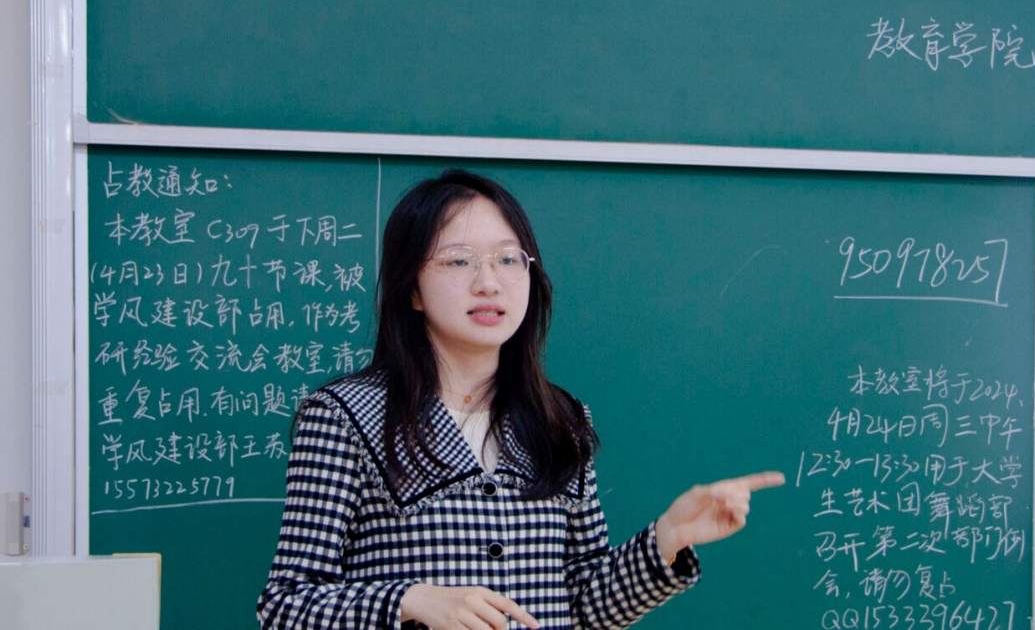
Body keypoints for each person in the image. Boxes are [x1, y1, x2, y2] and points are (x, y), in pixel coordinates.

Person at [258, 169, 784, 629]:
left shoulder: (561, 419)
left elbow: (580, 606)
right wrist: (410, 601)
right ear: (412, 288)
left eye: (509, 259)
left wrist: (666, 538)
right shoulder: (344, 417)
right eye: (458, 261)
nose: (489, 283)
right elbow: (285, 607)